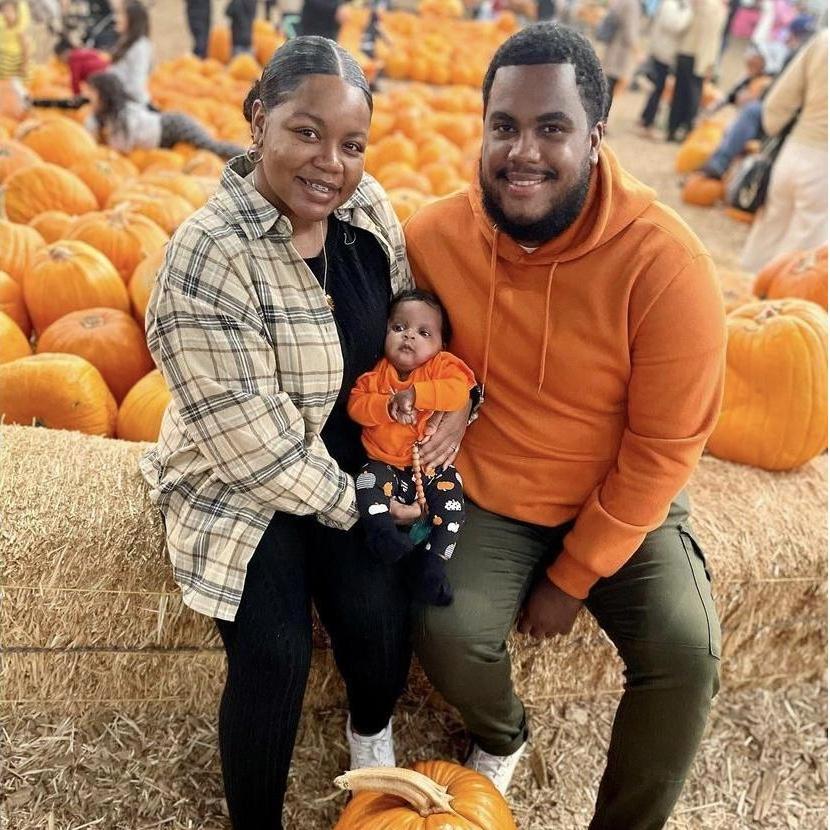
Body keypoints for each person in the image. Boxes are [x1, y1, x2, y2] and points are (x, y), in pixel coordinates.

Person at [405, 22, 725, 829]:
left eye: (552, 128)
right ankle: (504, 733)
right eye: (504, 126)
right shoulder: (433, 239)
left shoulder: (667, 264)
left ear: (595, 137)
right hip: (494, 491)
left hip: (620, 493)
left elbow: (664, 447)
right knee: (447, 628)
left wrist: (573, 576)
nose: (524, 152)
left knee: (686, 655)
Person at [138, 35, 452, 829]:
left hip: (352, 456)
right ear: (257, 121)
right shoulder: (207, 257)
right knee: (274, 648)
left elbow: (407, 330)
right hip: (241, 477)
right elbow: (259, 451)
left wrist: (452, 402)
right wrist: (368, 509)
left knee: (378, 618)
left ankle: (369, 736)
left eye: (351, 144)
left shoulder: (367, 209)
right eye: (306, 133)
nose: (331, 164)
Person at [348, 289, 476, 607]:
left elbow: (458, 392)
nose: (409, 336)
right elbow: (356, 406)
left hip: (430, 469)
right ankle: (382, 536)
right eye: (399, 327)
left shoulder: (442, 367)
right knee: (366, 483)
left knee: (453, 504)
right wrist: (386, 405)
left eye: (424, 332)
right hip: (384, 466)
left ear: (441, 345)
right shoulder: (376, 376)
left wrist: (416, 394)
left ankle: (433, 565)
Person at [740, 29, 827, 271]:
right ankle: (779, 291)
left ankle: (744, 284)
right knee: (802, 250)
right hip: (823, 161)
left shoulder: (824, 40)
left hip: (794, 148)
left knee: (769, 224)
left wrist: (773, 126)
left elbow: (781, 97)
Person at [697, 14, 815, 180]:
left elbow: (779, 93)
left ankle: (720, 163)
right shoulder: (796, 55)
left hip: (796, 120)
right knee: (752, 111)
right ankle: (723, 163)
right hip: (792, 116)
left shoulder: (798, 56)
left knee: (752, 111)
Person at [83, 71, 245, 157]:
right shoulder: (109, 117)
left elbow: (120, 148)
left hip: (173, 126)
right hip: (163, 136)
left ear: (104, 96)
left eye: (92, 92)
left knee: (210, 146)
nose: (88, 96)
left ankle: (244, 155)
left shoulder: (123, 118)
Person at [666, 0, 726, 141]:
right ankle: (685, 129)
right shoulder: (716, 8)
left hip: (687, 52)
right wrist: (709, 63)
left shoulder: (702, 5)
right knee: (692, 96)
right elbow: (711, 39)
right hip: (698, 57)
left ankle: (674, 128)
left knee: (681, 94)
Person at [638, 0, 692, 136]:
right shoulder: (672, 5)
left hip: (663, 51)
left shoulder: (673, 5)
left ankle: (646, 117)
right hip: (663, 52)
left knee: (657, 88)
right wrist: (689, 12)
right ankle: (647, 122)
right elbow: (676, 26)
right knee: (657, 89)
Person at [107, 0, 152, 106]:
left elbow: (136, 84)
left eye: (121, 15)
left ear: (133, 19)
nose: (116, 18)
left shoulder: (140, 46)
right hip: (118, 101)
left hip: (130, 105)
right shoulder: (125, 42)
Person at [600, 0, 641, 115]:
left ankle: (600, 116)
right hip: (621, 52)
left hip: (612, 47)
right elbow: (630, 32)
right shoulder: (632, 4)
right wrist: (637, 51)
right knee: (611, 87)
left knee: (608, 85)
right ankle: (603, 118)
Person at [0, 0, 30, 96]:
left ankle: (22, 100)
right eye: (4, 11)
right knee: (5, 86)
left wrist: (24, 65)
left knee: (17, 87)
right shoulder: (3, 27)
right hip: (5, 64)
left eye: (10, 11)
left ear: (17, 13)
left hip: (16, 64)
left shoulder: (19, 30)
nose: (7, 14)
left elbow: (26, 48)